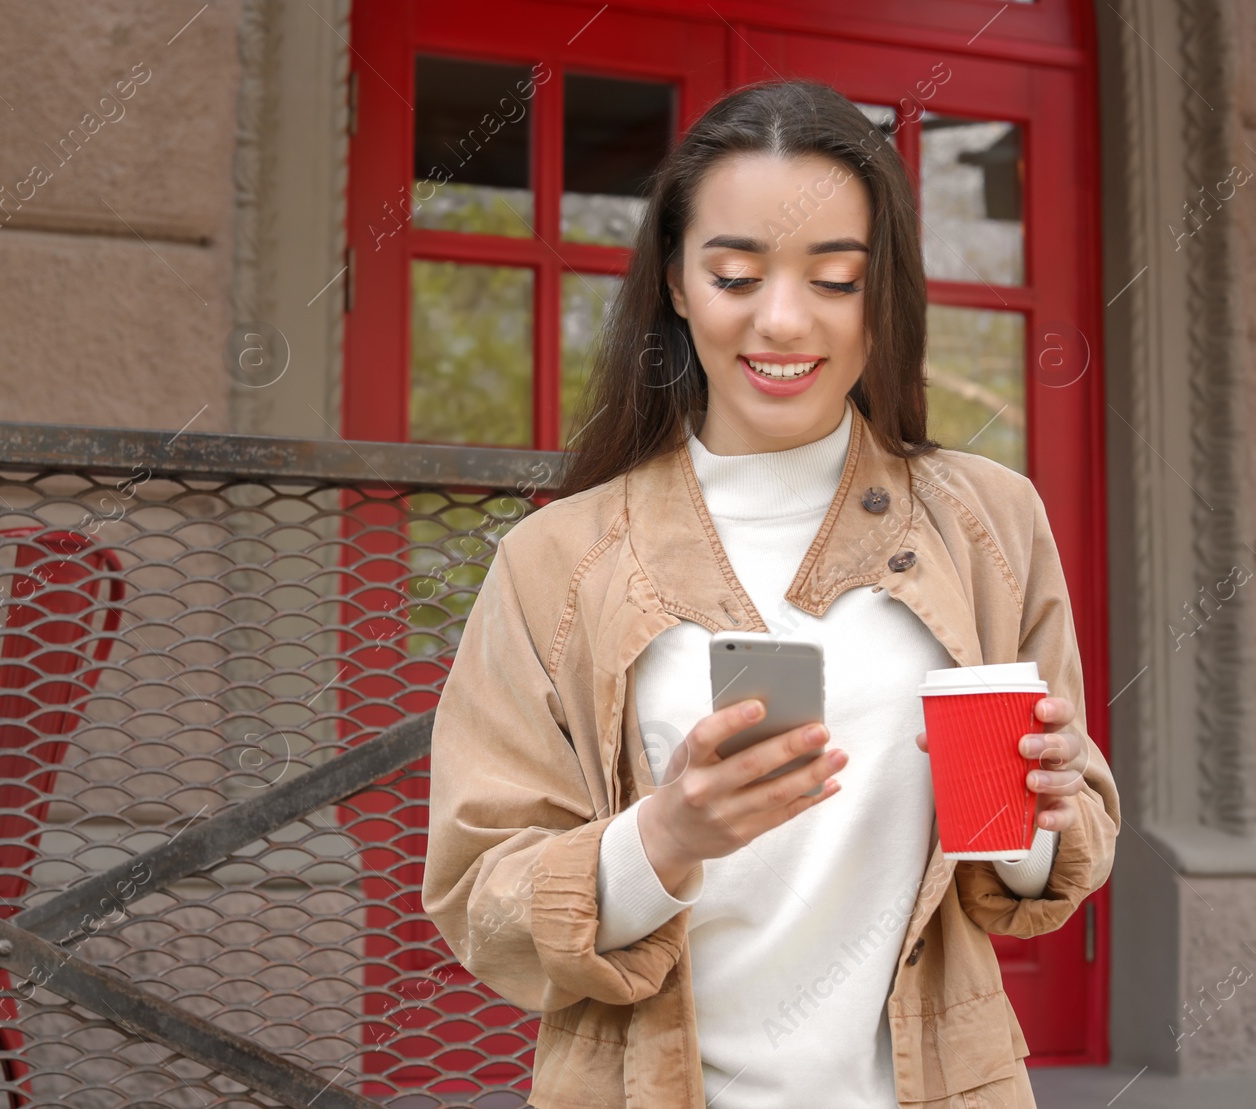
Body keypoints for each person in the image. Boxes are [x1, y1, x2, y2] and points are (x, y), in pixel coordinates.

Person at [420, 79, 1120, 1108]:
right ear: (674, 281)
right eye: (736, 274)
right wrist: (662, 838)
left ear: (881, 293)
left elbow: (1035, 869)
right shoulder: (554, 557)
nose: (782, 320)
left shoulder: (988, 521)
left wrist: (1037, 814)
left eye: (834, 279)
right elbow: (480, 891)